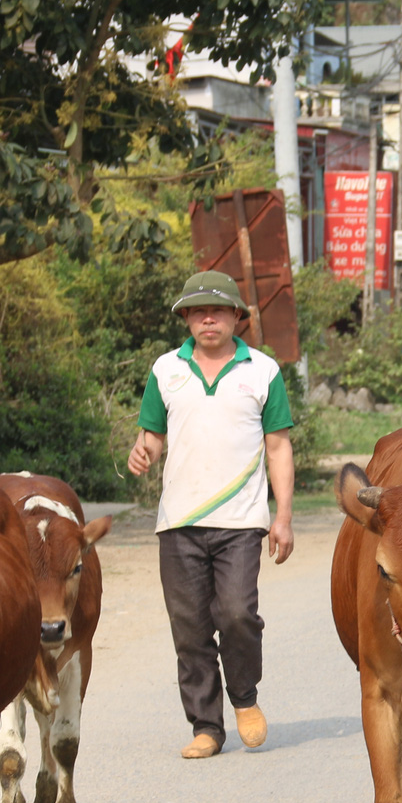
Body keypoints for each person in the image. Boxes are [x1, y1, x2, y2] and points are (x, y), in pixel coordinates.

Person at [127, 271, 295, 760]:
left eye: (219, 311)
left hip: (242, 521)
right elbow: (152, 437)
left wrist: (282, 516)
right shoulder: (165, 370)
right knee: (190, 627)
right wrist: (143, 454)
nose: (208, 318)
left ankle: (244, 698)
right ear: (185, 319)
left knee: (238, 613)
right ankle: (206, 725)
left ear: (237, 317)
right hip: (178, 521)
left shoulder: (262, 371)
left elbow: (279, 446)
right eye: (198, 311)